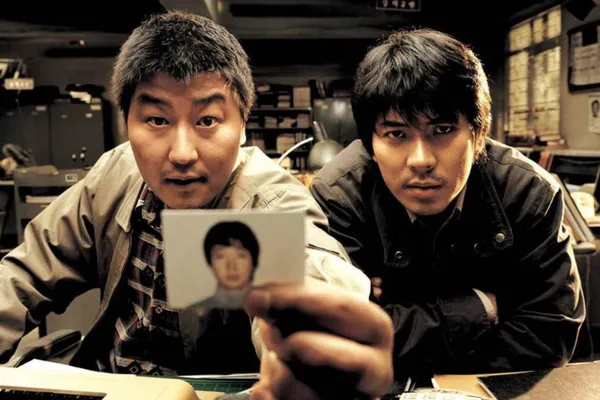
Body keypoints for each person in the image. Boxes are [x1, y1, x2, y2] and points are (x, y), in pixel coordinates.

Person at [0, 10, 394, 399]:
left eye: (207, 121)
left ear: (242, 124)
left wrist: (310, 350)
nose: (182, 154)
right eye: (157, 120)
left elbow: (306, 279)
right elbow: (23, 275)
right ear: (127, 124)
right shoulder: (115, 174)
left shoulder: (267, 202)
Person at [310, 28, 586, 378]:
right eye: (396, 134)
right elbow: (326, 340)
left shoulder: (528, 193)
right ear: (370, 145)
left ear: (478, 134)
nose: (421, 160)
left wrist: (390, 320)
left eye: (442, 130)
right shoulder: (338, 196)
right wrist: (479, 310)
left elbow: (547, 339)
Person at [197, 221, 260, 309]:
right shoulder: (196, 311)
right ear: (210, 262)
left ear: (254, 261)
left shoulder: (272, 309)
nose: (231, 267)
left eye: (240, 256)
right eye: (221, 257)